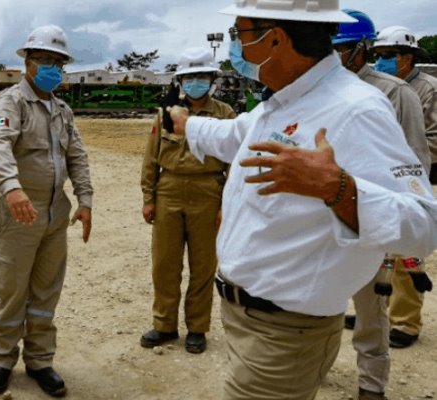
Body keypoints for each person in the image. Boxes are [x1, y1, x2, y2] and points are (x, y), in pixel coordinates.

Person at [168, 1, 437, 398]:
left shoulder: (355, 109)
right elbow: (235, 135)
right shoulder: (286, 101)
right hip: (250, 318)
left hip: (283, 333)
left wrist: (336, 187)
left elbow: (423, 225)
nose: (234, 47)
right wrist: (187, 123)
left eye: (239, 34)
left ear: (274, 38)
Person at [0, 24, 93, 398]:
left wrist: (86, 200)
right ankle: (1, 360)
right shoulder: (11, 102)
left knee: (46, 291)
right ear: (27, 63)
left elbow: (77, 155)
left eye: (57, 63)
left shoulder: (62, 109)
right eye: (44, 60)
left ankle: (40, 360)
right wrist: (11, 188)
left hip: (54, 214)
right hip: (19, 212)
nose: (51, 68)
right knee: (13, 290)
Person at [331, 10, 431, 399]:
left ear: (361, 50)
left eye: (341, 49)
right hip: (327, 213)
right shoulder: (318, 90)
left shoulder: (395, 92)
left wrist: (403, 221)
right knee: (319, 304)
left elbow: (415, 161)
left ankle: (371, 386)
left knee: (372, 312)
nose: (333, 56)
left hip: (373, 214)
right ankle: (314, 368)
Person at [139, 47, 236, 354]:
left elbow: (234, 164)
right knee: (164, 264)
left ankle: (197, 328)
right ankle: (164, 325)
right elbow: (150, 159)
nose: (196, 81)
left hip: (208, 192)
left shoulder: (225, 116)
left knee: (203, 265)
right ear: (180, 81)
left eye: (202, 76)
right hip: (168, 191)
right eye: (189, 77)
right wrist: (148, 197)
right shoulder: (167, 114)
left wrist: (226, 206)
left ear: (212, 79)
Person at [372, 25, 436, 349]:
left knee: (407, 252)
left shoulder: (428, 90)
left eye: (387, 56)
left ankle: (405, 322)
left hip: (411, 178)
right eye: (377, 56)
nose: (380, 62)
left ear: (407, 57)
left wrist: (405, 163)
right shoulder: (380, 88)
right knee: (377, 249)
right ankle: (374, 309)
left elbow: (434, 138)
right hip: (380, 177)